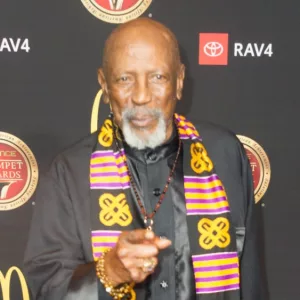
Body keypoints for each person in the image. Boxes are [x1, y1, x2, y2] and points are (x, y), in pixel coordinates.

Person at [24, 18, 267, 300]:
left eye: (158, 77)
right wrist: (108, 272)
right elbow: (45, 288)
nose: (141, 96)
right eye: (124, 79)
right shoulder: (70, 171)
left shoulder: (224, 154)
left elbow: (250, 281)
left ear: (179, 81)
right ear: (104, 85)